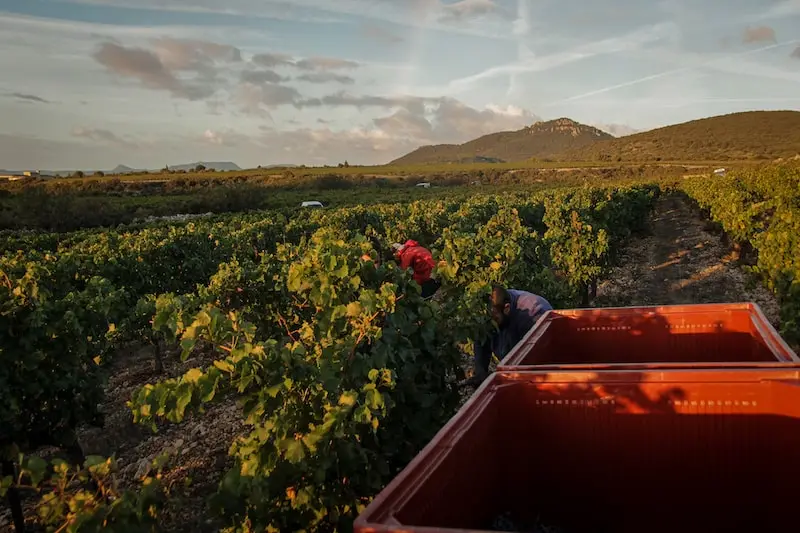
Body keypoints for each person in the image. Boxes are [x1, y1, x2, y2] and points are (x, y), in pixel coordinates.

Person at [465, 285, 553, 387]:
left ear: (507, 308)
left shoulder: (532, 314)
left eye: (495, 319)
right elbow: (481, 338)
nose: (492, 324)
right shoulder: (490, 310)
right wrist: (480, 371)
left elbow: (535, 359)